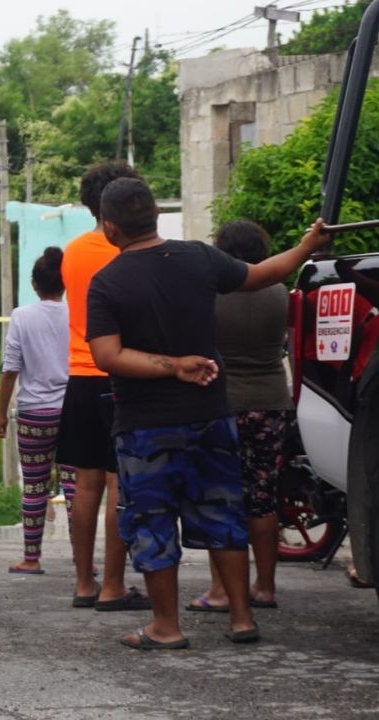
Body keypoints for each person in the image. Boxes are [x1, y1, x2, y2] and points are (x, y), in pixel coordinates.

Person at [86, 177, 329, 649]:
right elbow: (261, 274)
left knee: (152, 520)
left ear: (109, 228)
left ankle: (166, 627)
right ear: (157, 212)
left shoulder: (108, 282)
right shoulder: (200, 257)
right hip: (211, 414)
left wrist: (172, 366)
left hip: (145, 426)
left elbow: (108, 356)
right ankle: (241, 618)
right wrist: (306, 245)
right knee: (224, 513)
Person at [56, 162, 148, 612]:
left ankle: (82, 583)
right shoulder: (127, 252)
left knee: (85, 485)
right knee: (119, 485)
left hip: (78, 375)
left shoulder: (72, 252)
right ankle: (114, 585)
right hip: (120, 375)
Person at [187, 221, 288, 613]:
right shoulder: (280, 292)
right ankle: (264, 587)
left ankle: (222, 590)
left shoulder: (212, 295)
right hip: (271, 402)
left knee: (219, 499)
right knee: (263, 499)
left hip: (221, 404)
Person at [0, 248, 70, 575]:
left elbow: (10, 371)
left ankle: (31, 558)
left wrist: (0, 416)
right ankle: (84, 563)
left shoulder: (22, 317)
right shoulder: (77, 314)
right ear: (65, 284)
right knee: (77, 489)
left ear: (34, 285)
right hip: (73, 414)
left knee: (35, 487)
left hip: (33, 415)